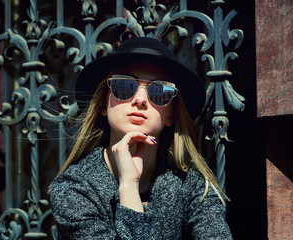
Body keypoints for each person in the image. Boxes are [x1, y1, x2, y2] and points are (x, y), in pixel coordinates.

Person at [50, 37, 232, 239]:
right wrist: (129, 184)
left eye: (160, 91)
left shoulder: (194, 184)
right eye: (124, 86)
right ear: (102, 104)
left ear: (170, 115)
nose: (140, 100)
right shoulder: (74, 189)